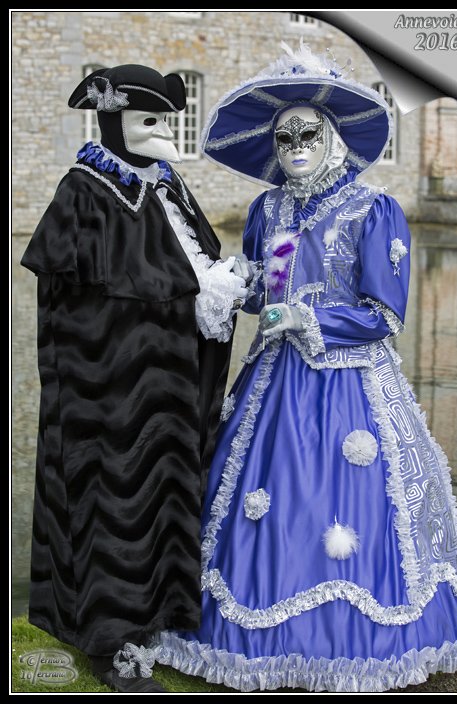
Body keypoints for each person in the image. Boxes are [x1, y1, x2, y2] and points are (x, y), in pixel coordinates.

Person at [144, 43, 457, 692]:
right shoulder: (272, 211)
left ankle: (348, 642)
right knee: (254, 496)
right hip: (275, 382)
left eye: (307, 134)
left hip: (350, 388)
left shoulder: (371, 209)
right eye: (283, 136)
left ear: (333, 137)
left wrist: (308, 318)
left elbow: (383, 313)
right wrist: (229, 287)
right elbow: (270, 290)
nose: (294, 146)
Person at [20, 64, 251, 693]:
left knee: (169, 493)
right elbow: (77, 307)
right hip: (111, 397)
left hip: (170, 387)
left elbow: (190, 266)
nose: (163, 132)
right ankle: (110, 641)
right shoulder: (85, 191)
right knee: (114, 503)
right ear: (115, 122)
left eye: (166, 119)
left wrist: (223, 288)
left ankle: (159, 622)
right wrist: (185, 298)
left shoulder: (167, 183)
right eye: (148, 120)